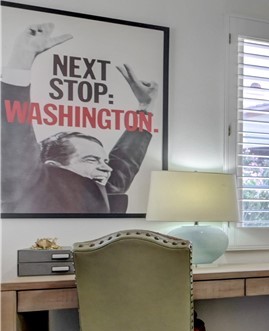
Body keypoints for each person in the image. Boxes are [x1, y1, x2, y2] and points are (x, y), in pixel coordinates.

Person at [1, 22, 157, 214]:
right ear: (53, 167)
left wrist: (145, 107)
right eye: (91, 160)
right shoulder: (29, 186)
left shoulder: (99, 190)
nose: (107, 170)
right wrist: (21, 60)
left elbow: (125, 162)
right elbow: (16, 143)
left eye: (105, 161)